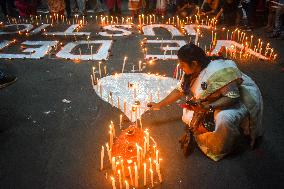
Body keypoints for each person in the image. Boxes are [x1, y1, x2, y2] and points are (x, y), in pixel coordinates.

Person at [148, 43, 263, 161]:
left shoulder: (218, 72)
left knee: (224, 119)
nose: (180, 67)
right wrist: (159, 105)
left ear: (194, 63)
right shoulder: (192, 71)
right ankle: (208, 129)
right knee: (187, 114)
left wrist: (209, 107)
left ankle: (220, 147)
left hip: (237, 98)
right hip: (211, 100)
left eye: (182, 65)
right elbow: (179, 91)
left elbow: (233, 96)